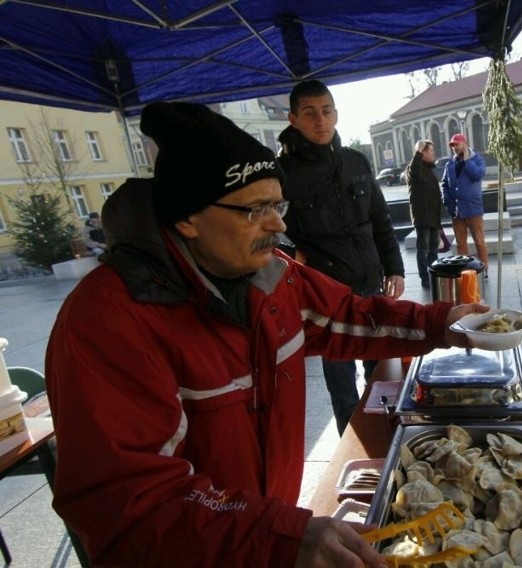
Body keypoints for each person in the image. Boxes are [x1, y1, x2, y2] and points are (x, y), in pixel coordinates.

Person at [45, 101, 486, 567]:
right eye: (256, 210)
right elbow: (130, 506)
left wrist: (442, 323)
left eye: (278, 204)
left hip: (263, 537)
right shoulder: (108, 322)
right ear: (188, 218)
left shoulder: (271, 277)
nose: (278, 223)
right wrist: (276, 537)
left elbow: (350, 315)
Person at [277, 79, 406, 436]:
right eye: (310, 113)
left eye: (327, 110)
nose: (320, 120)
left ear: (336, 113)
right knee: (342, 384)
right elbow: (266, 228)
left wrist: (394, 267)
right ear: (294, 118)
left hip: (371, 286)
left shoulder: (355, 161)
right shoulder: (282, 174)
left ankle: (390, 442)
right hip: (326, 298)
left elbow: (380, 219)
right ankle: (357, 449)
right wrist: (294, 253)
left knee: (382, 373)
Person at [441, 133, 489, 277]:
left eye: (457, 144)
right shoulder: (450, 163)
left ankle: (483, 270)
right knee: (461, 244)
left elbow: (478, 175)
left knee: (479, 242)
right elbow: (444, 184)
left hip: (473, 209)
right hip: (456, 211)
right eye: (452, 145)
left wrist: (468, 160)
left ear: (464, 143)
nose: (454, 148)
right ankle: (465, 272)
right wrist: (447, 202)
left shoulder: (477, 159)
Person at [405, 139, 443, 289]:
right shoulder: (413, 169)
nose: (433, 153)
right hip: (422, 217)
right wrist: (418, 151)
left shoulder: (429, 170)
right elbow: (415, 172)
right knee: (423, 249)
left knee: (433, 248)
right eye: (430, 151)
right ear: (423, 153)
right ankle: (424, 278)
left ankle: (432, 274)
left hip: (433, 216)